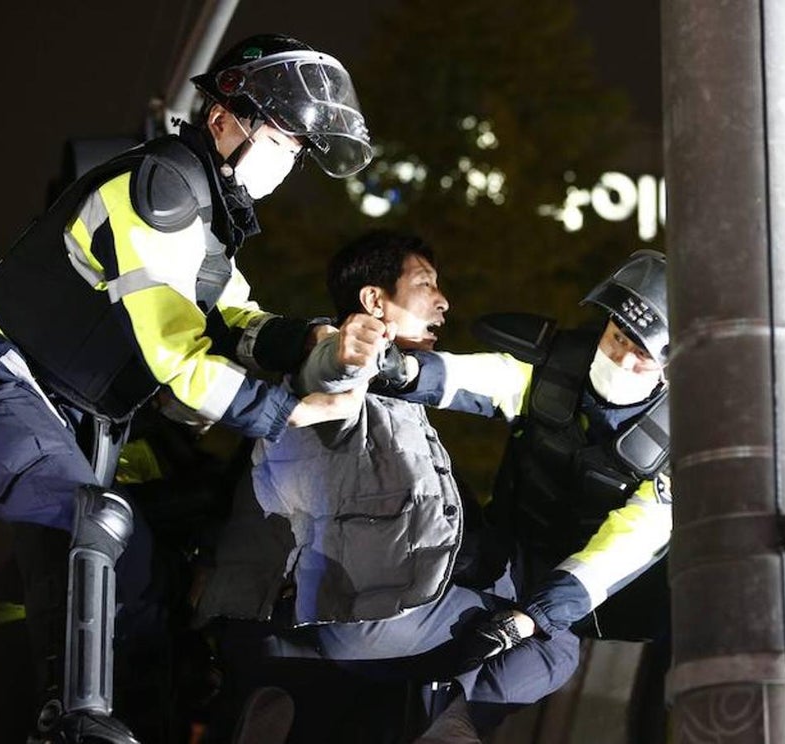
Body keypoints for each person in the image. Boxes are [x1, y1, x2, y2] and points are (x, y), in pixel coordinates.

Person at [0, 33, 372, 743]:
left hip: (67, 406)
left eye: (299, 150)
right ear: (225, 116)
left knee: (135, 570)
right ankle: (70, 721)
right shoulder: (161, 190)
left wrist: (318, 342)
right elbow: (180, 356)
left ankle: (138, 719)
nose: (288, 160)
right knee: (90, 523)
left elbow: (235, 317)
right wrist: (291, 412)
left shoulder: (207, 212)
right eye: (284, 139)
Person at [199, 230, 674, 741]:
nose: (623, 358)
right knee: (550, 650)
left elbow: (626, 546)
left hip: (376, 607)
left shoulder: (679, 446)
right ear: (373, 301)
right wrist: (364, 359)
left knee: (502, 652)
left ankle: (307, 687)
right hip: (357, 607)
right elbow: (462, 378)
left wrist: (539, 612)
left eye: (642, 353)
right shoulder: (347, 366)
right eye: (618, 337)